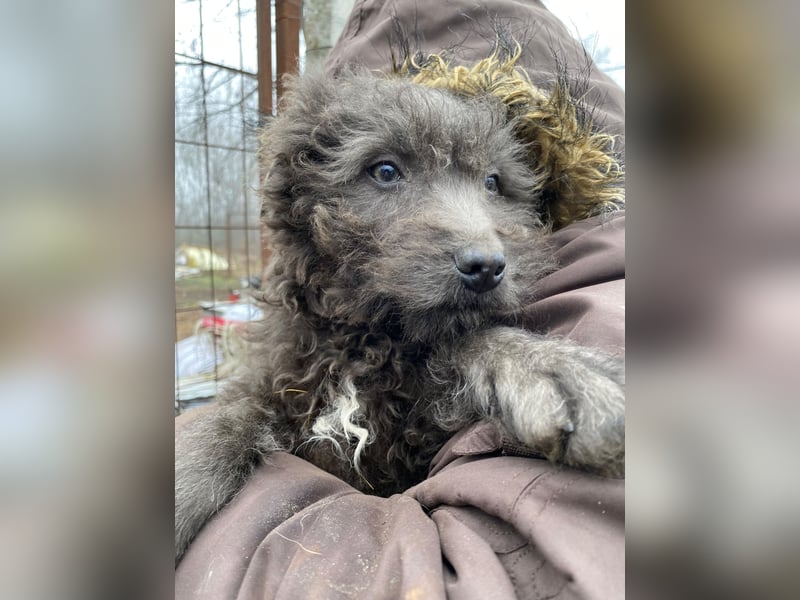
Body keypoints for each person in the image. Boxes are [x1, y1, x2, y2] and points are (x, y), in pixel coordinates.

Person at [175, 1, 624, 598]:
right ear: (295, 202)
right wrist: (216, 442)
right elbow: (261, 409)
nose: (481, 243)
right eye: (386, 172)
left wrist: (496, 357)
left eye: (494, 184)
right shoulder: (297, 343)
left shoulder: (588, 294)